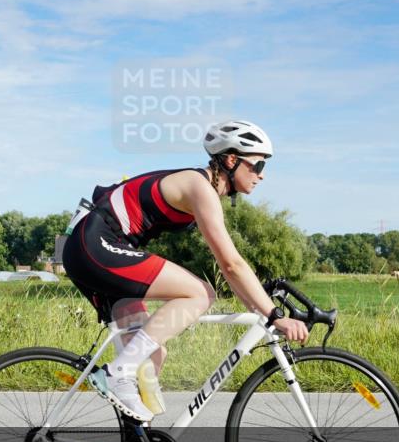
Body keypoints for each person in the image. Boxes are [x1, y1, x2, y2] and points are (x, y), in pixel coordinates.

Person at [61, 120, 309, 421]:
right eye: (257, 166)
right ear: (232, 160)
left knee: (151, 359)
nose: (262, 175)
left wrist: (259, 305)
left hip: (92, 247)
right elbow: (231, 264)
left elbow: (230, 268)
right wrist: (273, 315)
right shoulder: (198, 187)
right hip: (95, 245)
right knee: (200, 293)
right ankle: (116, 374)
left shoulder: (202, 188)